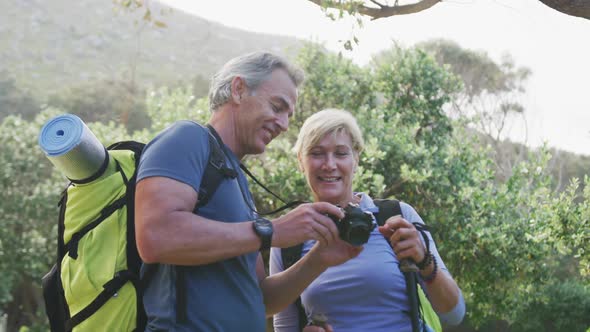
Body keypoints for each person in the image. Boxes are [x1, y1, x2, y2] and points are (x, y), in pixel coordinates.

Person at [134, 52, 362, 332]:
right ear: (239, 89)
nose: (284, 124)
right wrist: (270, 231)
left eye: (288, 115)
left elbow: (262, 299)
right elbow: (155, 236)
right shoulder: (187, 138)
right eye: (278, 107)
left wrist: (320, 258)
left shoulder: (237, 182)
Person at [271, 109, 466, 332]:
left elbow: (454, 314)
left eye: (341, 153)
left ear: (356, 160)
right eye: (317, 153)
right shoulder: (290, 235)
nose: (329, 164)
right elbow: (284, 326)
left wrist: (424, 261)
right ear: (300, 162)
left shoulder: (397, 216)